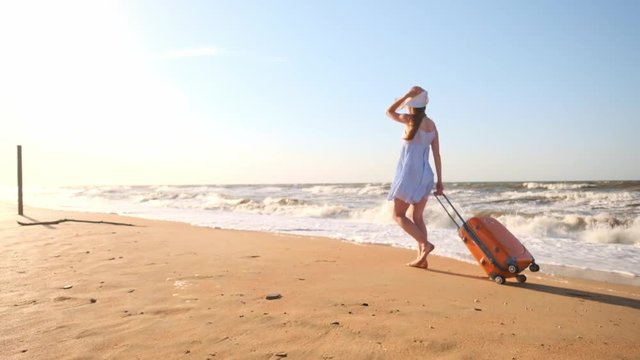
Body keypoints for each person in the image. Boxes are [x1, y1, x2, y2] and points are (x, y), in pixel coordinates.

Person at [386, 86, 443, 269]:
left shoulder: (409, 120)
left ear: (411, 106)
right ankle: (422, 259)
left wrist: (407, 95)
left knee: (398, 215)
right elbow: (437, 155)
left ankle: (425, 245)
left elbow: (389, 111)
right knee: (417, 217)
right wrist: (440, 182)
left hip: (410, 173)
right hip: (426, 174)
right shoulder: (432, 125)